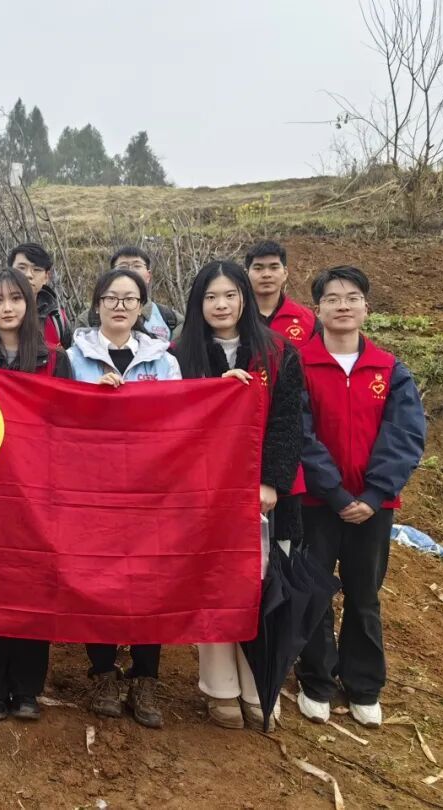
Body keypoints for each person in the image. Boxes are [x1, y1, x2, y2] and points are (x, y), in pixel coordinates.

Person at [173, 260, 304, 731]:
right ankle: (220, 687)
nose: (221, 305)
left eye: (229, 295)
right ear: (197, 304)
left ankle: (261, 687)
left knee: (263, 591)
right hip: (204, 496)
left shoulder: (278, 352)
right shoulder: (180, 355)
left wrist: (271, 481)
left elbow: (289, 422)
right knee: (214, 585)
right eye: (210, 297)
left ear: (244, 300)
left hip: (265, 498)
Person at [295, 266, 426, 729]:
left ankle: (364, 684)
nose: (343, 305)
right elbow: (300, 433)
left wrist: (373, 494)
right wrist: (334, 492)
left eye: (352, 297)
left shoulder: (390, 369)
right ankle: (316, 681)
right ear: (318, 310)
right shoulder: (300, 365)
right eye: (332, 299)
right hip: (317, 504)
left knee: (364, 595)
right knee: (315, 591)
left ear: (366, 307)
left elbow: (405, 435)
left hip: (374, 508)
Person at [0, 268, 71, 722]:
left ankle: (26, 688)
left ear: (30, 304)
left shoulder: (55, 359)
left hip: (38, 493)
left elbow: (69, 419)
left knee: (31, 585)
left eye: (16, 299)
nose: (7, 308)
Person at [67, 268, 181, 730]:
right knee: (98, 581)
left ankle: (145, 676)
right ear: (97, 304)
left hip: (151, 490)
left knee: (150, 582)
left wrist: (229, 390)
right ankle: (103, 673)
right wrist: (89, 400)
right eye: (111, 298)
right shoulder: (72, 358)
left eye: (129, 299)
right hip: (90, 490)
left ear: (141, 307)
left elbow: (181, 418)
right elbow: (56, 417)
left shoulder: (164, 361)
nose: (119, 306)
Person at [76, 247, 183, 341]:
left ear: (148, 275)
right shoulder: (88, 319)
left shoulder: (172, 320)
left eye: (137, 266)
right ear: (111, 275)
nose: (130, 271)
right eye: (123, 266)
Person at [244, 241, 317, 348]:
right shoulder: (234, 316)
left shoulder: (308, 320)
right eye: (258, 268)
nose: (266, 275)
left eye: (274, 268)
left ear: (285, 273)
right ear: (246, 274)